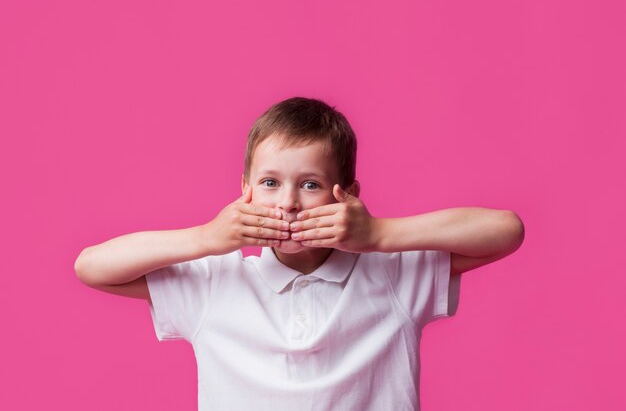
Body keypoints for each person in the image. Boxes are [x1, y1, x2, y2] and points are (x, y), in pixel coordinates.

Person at [74, 96, 525, 411]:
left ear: (346, 195)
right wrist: (207, 237)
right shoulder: (217, 282)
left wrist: (380, 233)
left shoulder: (391, 275)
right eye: (270, 183)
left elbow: (506, 230)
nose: (288, 202)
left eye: (310, 184)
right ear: (245, 193)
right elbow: (92, 267)